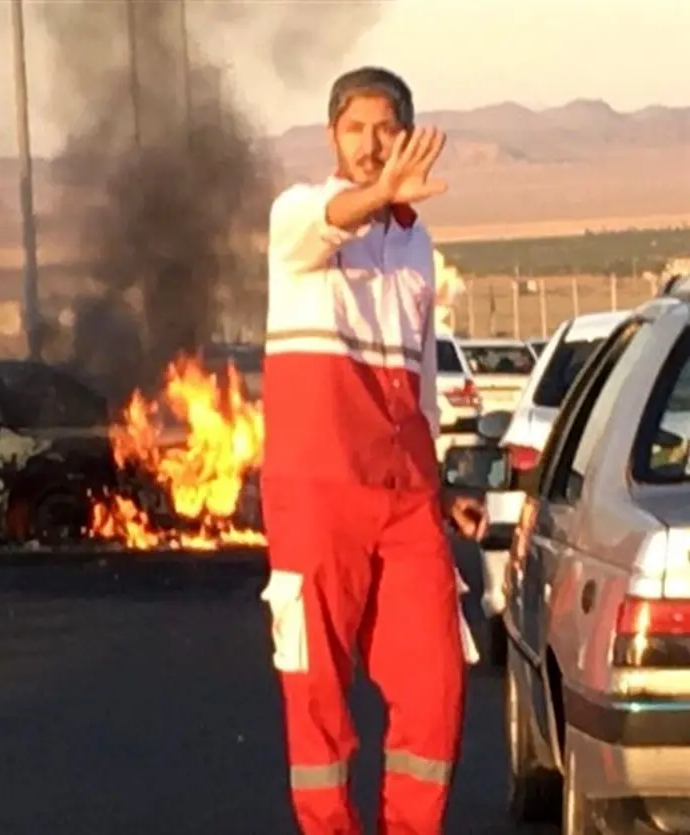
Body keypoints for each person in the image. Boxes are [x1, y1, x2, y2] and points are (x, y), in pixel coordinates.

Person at [260, 67, 488, 834]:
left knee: (436, 682)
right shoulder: (299, 218)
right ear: (332, 137)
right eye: (355, 129)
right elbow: (332, 216)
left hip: (404, 497)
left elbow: (417, 382)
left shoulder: (417, 245)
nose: (371, 144)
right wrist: (375, 191)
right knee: (318, 690)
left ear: (407, 133)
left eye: (385, 128)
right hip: (318, 494)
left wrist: (444, 478)